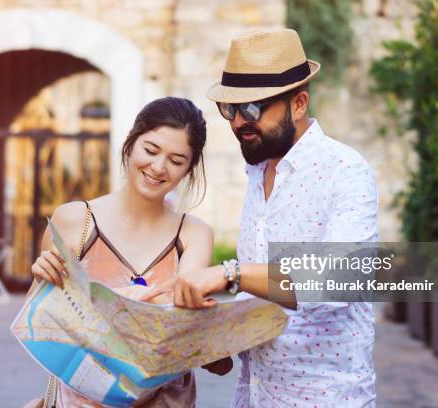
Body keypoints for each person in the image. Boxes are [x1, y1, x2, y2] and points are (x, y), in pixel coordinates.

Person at [144, 29, 378, 407]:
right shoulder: (258, 171)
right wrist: (214, 343)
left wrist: (229, 273)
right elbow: (269, 302)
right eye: (230, 110)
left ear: (299, 103)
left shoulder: (345, 170)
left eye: (252, 109)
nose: (238, 122)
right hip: (256, 395)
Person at [25, 96, 230, 408]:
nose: (158, 168)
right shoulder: (74, 220)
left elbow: (184, 326)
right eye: (150, 150)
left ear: (188, 169)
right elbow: (36, 326)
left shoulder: (192, 234)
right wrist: (45, 284)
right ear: (130, 144)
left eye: (176, 161)